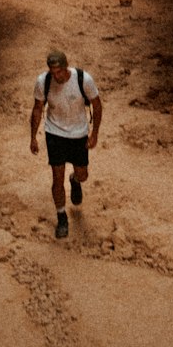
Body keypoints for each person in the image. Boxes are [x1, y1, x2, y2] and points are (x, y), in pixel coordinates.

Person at [30, 49, 102, 239]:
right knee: (56, 177)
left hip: (78, 134)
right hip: (55, 133)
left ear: (65, 66)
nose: (56, 76)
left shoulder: (83, 79)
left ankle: (75, 180)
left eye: (59, 72)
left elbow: (97, 104)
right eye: (53, 73)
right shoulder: (43, 82)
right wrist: (33, 137)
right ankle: (61, 216)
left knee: (83, 173)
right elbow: (37, 109)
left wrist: (94, 134)